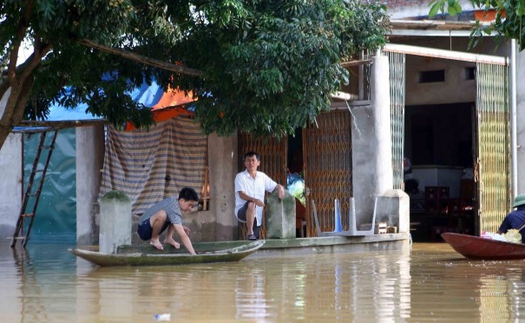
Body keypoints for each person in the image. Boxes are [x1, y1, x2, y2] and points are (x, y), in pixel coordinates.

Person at [235, 151, 285, 240]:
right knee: (251, 204)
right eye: (248, 160)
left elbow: (274, 186)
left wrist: (280, 187)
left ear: (258, 163)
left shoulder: (262, 177)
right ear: (245, 163)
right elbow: (241, 194)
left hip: (257, 214)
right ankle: (250, 232)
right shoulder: (240, 177)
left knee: (255, 241)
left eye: (253, 160)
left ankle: (252, 237)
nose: (251, 163)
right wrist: (255, 200)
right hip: (242, 211)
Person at [137, 187, 199, 254]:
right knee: (162, 214)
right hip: (143, 229)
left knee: (173, 218)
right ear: (181, 201)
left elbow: (174, 219)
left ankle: (168, 238)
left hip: (150, 225)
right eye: (189, 205)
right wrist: (193, 253)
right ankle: (154, 239)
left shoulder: (175, 201)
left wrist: (181, 226)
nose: (190, 208)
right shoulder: (174, 207)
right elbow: (183, 235)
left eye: (192, 206)